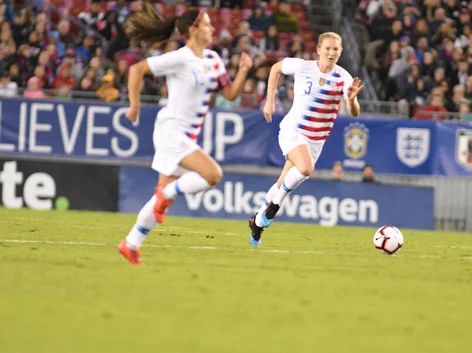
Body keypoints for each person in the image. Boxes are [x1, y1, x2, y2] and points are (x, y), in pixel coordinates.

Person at [117, 4, 252, 265]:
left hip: (185, 137)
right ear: (193, 29)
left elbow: (230, 95)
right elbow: (137, 69)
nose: (212, 29)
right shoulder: (180, 57)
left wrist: (244, 70)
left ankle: (130, 243)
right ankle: (163, 196)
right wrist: (134, 106)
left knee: (165, 192)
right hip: (170, 131)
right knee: (212, 174)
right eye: (207, 24)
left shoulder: (213, 59)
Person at [248, 32, 363, 246]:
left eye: (335, 49)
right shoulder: (302, 66)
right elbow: (275, 68)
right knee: (306, 169)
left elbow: (354, 111)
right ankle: (273, 209)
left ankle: (257, 223)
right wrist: (269, 101)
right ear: (318, 50)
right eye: (327, 48)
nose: (331, 53)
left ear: (340, 52)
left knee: (283, 181)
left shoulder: (344, 78)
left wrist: (353, 99)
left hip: (315, 141)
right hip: (292, 130)